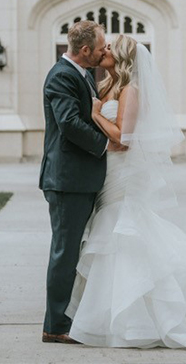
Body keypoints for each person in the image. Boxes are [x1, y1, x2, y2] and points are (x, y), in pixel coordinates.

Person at [64, 35, 186, 348]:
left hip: (123, 171)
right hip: (109, 168)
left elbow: (123, 138)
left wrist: (97, 113)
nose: (106, 49)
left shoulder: (131, 90)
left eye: (111, 47)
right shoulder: (109, 86)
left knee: (123, 232)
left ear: (124, 57)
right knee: (111, 232)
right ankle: (110, 311)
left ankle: (137, 319)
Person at [39, 20, 117, 344]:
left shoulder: (83, 74)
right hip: (67, 180)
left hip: (82, 179)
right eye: (100, 48)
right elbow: (69, 124)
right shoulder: (61, 76)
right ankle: (55, 326)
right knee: (65, 253)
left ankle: (69, 316)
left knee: (74, 252)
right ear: (85, 50)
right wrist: (106, 144)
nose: (103, 53)